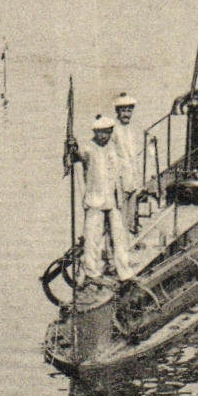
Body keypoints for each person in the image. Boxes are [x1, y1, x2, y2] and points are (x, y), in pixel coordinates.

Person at [66, 114, 131, 282]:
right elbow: (75, 157)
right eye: (101, 133)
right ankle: (92, 272)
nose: (105, 136)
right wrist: (72, 147)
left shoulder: (112, 147)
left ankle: (124, 270)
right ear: (95, 132)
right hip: (95, 200)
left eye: (108, 132)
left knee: (119, 237)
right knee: (92, 238)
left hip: (113, 200)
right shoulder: (88, 148)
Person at [111, 93, 143, 232]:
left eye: (129, 110)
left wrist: (138, 179)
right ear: (117, 112)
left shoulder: (131, 131)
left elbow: (133, 157)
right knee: (119, 216)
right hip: (120, 179)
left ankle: (129, 236)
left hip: (132, 179)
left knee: (130, 214)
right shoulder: (114, 131)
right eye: (123, 110)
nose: (126, 114)